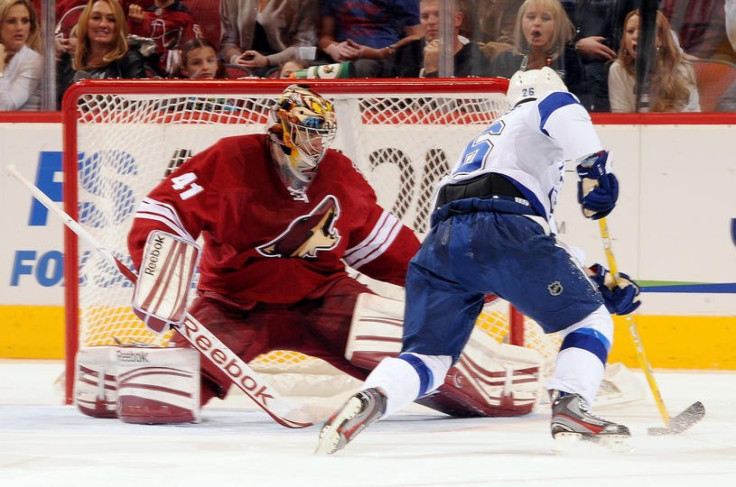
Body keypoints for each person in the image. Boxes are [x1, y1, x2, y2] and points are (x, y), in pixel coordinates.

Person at [126, 84, 538, 417]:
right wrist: (155, 265)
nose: (317, 144)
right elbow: (165, 210)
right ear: (283, 130)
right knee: (161, 397)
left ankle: (485, 374)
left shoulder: (337, 174)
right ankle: (118, 374)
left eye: (322, 133)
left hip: (324, 299)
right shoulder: (229, 159)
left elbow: (386, 248)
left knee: (426, 357)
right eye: (308, 131)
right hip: (232, 305)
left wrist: (465, 281)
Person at [316, 67, 642, 455]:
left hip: (441, 244)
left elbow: (536, 245)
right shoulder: (546, 105)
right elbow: (519, 234)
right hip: (502, 229)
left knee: (428, 358)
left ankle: (372, 396)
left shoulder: (493, 139)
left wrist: (594, 280)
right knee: (588, 319)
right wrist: (593, 166)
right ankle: (572, 407)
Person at [56, 0, 147, 106]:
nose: (103, 24)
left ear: (118, 26)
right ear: (85, 22)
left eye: (111, 19)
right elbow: (56, 106)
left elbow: (139, 109)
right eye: (96, 18)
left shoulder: (130, 60)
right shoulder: (66, 60)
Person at [608, 9, 700, 113]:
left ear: (660, 39)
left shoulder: (682, 68)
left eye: (643, 31)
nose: (635, 36)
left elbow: (686, 118)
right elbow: (621, 119)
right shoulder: (618, 69)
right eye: (630, 31)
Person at [490, 0, 585, 98]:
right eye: (531, 17)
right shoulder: (505, 59)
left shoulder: (568, 59)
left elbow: (577, 102)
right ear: (520, 22)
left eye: (545, 18)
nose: (537, 23)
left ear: (558, 25)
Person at [560, 0, 641, 112]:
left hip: (605, 84)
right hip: (572, 82)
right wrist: (576, 46)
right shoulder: (568, 4)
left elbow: (631, 37)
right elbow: (555, 41)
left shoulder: (620, 4)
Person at [319, 0, 423, 78]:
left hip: (387, 57)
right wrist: (333, 48)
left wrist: (381, 52)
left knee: (362, 66)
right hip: (343, 58)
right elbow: (325, 36)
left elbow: (418, 36)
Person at [220, 0, 319, 78]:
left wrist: (267, 60)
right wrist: (236, 59)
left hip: (285, 62)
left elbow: (304, 45)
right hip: (245, 63)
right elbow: (228, 41)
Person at [392, 0, 492, 78]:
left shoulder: (474, 58)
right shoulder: (406, 52)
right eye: (425, 16)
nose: (430, 21)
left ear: (458, 19)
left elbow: (459, 104)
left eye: (439, 15)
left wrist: (433, 70)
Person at [126, 0, 197, 77]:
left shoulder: (185, 17)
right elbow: (132, 49)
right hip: (144, 73)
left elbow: (192, 52)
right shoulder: (142, 16)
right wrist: (136, 25)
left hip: (175, 75)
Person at [0, 0, 42, 110]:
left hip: (23, 126)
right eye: (11, 21)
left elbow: (4, 107)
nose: (19, 27)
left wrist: (0, 69)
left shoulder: (34, 60)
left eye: (25, 21)